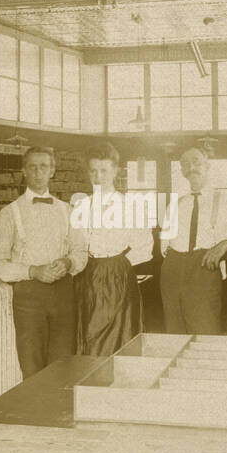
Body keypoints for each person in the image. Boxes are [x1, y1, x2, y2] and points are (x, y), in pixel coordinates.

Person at [0, 146, 88, 378]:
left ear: (52, 171)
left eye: (44, 166)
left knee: (63, 365)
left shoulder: (68, 211)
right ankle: (35, 415)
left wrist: (67, 263)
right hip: (28, 298)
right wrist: (33, 271)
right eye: (32, 167)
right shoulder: (9, 214)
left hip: (64, 295)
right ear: (24, 171)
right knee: (32, 367)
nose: (38, 172)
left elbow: (81, 252)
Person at [75, 142, 151, 355]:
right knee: (89, 334)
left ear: (115, 171)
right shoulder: (80, 206)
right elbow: (75, 245)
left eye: (104, 171)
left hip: (119, 277)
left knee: (121, 336)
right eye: (93, 171)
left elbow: (144, 246)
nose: (98, 177)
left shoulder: (131, 206)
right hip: (87, 276)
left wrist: (118, 266)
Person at [160, 145, 227, 335]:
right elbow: (164, 247)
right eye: (185, 164)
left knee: (205, 332)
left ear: (207, 165)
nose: (191, 167)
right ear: (182, 171)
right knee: (174, 333)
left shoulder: (226, 200)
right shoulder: (177, 204)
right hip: (172, 271)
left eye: (196, 161)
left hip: (204, 269)